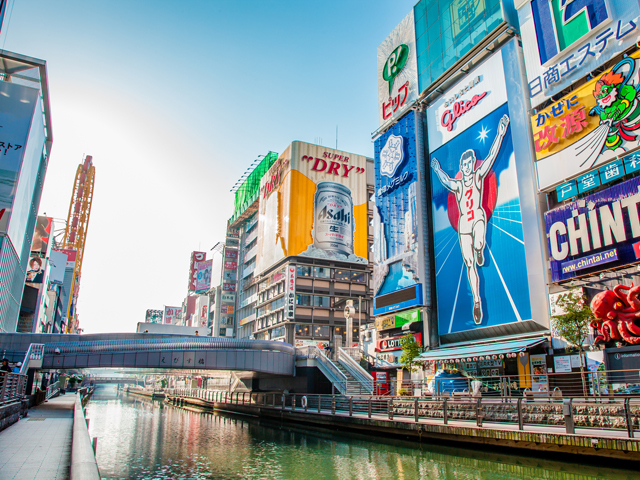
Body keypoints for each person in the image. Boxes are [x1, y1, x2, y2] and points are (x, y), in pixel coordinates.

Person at [430, 114, 510, 325]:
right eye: (464, 164)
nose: (466, 167)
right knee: (469, 264)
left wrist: (501, 133)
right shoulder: (457, 184)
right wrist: (438, 169)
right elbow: (447, 181)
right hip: (464, 224)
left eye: (469, 163)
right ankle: (476, 301)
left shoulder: (477, 176)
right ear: (461, 166)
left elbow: (492, 156)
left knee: (480, 239)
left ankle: (479, 248)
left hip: (478, 216)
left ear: (473, 163)